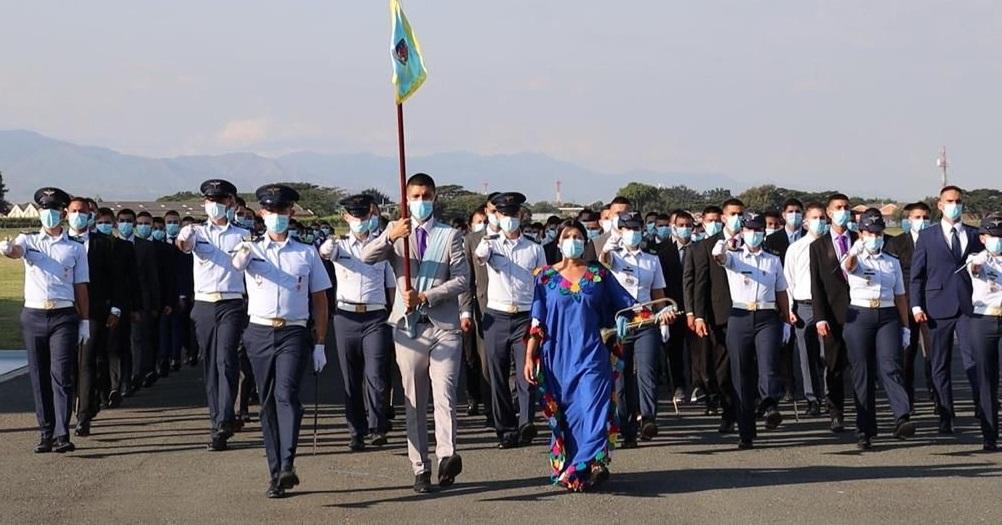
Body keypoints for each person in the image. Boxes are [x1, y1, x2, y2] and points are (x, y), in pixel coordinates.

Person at [361, 173, 469, 494]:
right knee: (414, 399)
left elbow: (462, 280)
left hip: (444, 327)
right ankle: (420, 466)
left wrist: (427, 296)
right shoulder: (397, 233)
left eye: (427, 195)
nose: (421, 201)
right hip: (409, 329)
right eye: (416, 196)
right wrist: (388, 235)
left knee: (445, 394)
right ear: (406, 199)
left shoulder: (450, 236)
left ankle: (447, 454)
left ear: (435, 197)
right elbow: (366, 257)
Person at [230, 184, 332, 498]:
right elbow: (235, 268)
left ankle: (288, 462)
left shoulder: (305, 252)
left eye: (282, 211)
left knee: (287, 394)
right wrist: (243, 252)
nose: (276, 216)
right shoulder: (251, 249)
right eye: (270, 211)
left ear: (291, 213)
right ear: (262, 213)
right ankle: (275, 473)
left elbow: (320, 299)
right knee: (267, 401)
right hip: (259, 331)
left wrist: (320, 342)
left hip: (293, 332)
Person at [522, 219, 637, 491]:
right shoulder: (545, 278)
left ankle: (591, 462)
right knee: (571, 415)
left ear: (585, 242)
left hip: (592, 354)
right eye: (567, 235)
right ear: (558, 242)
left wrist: (655, 314)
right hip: (557, 357)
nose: (572, 240)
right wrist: (529, 356)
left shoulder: (599, 274)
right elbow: (537, 322)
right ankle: (578, 471)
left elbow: (628, 306)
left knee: (594, 408)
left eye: (577, 236)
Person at [1, 187, 89, 453]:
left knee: (61, 375)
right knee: (39, 376)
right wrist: (7, 249)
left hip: (63, 315)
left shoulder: (75, 248)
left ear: (63, 213)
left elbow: (81, 286)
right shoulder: (28, 240)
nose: (48, 214)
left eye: (53, 209)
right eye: (44, 209)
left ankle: (63, 433)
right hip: (34, 314)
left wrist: (85, 321)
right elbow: (16, 251)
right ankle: (46, 432)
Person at [176, 179, 249, 451]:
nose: (215, 205)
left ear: (231, 203)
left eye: (221, 201)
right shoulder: (196, 231)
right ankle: (216, 420)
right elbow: (183, 245)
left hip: (231, 303)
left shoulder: (242, 234)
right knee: (210, 362)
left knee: (226, 359)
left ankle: (225, 419)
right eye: (210, 201)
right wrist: (183, 237)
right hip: (205, 304)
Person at [319, 194, 396, 451]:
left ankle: (377, 426)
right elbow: (325, 253)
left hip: (375, 315)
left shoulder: (383, 247)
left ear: (372, 215)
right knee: (350, 377)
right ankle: (356, 429)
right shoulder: (339, 245)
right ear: (346, 217)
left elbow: (391, 286)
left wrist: (395, 317)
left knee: (375, 373)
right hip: (346, 316)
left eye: (364, 216)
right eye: (355, 216)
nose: (360, 221)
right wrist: (327, 248)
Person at [473, 192, 547, 448]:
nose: (509, 219)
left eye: (513, 215)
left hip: (525, 315)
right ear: (497, 216)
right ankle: (505, 428)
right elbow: (479, 257)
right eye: (504, 215)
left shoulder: (534, 248)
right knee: (498, 374)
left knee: (527, 371)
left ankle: (526, 422)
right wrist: (490, 233)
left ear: (521, 216)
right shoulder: (491, 244)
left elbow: (543, 282)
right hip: (497, 314)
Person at [711, 211, 790, 448]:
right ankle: (746, 431)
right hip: (740, 315)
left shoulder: (772, 258)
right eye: (749, 230)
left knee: (768, 364)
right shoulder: (735, 257)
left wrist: (786, 319)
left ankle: (769, 405)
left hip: (767, 315)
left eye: (758, 230)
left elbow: (781, 291)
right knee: (741, 374)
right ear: (742, 232)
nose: (754, 234)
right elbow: (718, 256)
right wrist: (726, 240)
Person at [910, 185, 984, 434]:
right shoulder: (928, 236)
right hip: (937, 306)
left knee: (973, 359)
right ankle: (945, 413)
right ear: (940, 205)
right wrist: (916, 304)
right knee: (939, 362)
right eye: (950, 201)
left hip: (968, 305)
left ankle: (982, 407)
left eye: (959, 201)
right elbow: (917, 275)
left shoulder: (974, 235)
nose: (955, 205)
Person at [839, 211, 916, 449]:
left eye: (878, 233)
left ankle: (902, 416)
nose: (874, 237)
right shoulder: (854, 257)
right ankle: (865, 429)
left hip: (888, 315)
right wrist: (854, 250)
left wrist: (905, 327)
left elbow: (901, 296)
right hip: (860, 315)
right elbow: (848, 267)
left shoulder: (891, 261)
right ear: (861, 234)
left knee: (890, 366)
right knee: (862, 372)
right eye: (869, 233)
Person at [599, 211, 675, 445]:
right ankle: (626, 426)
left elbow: (658, 292)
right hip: (620, 321)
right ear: (620, 230)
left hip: (646, 319)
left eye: (636, 228)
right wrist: (607, 247)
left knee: (647, 370)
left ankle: (648, 418)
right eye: (627, 228)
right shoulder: (615, 256)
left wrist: (663, 315)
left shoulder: (651, 259)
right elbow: (603, 261)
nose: (632, 232)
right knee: (621, 377)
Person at [65, 197, 124, 437]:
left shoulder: (103, 243)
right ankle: (66, 411)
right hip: (65, 310)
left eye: (84, 212)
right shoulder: (60, 241)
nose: (79, 215)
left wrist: (116, 309)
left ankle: (84, 415)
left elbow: (117, 279)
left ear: (90, 216)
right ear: (66, 213)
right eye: (75, 211)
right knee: (67, 364)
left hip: (95, 312)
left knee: (87, 361)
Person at [692, 199, 745, 433]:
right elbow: (700, 284)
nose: (737, 218)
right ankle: (726, 407)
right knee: (721, 372)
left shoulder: (750, 242)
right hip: (719, 315)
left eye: (740, 214)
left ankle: (741, 412)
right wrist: (699, 315)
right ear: (724, 217)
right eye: (733, 214)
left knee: (744, 366)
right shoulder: (706, 246)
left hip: (748, 313)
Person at [809, 193, 857, 433]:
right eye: (838, 208)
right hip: (832, 314)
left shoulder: (860, 239)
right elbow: (816, 285)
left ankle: (863, 412)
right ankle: (836, 412)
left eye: (846, 207)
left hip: (860, 312)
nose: (843, 211)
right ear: (829, 212)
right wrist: (820, 317)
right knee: (835, 366)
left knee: (859, 365)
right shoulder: (818, 246)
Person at [884, 202, 935, 410]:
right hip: (905, 304)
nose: (921, 221)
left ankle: (937, 396)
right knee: (906, 354)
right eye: (917, 217)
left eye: (925, 217)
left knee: (934, 355)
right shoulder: (896, 244)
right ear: (908, 219)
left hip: (931, 303)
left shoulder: (935, 242)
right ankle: (907, 400)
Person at [783, 202, 829, 416]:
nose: (819, 222)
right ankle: (812, 398)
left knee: (828, 354)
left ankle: (830, 394)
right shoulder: (796, 248)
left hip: (829, 306)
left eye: (822, 218)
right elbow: (788, 280)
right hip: (804, 306)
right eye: (815, 218)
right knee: (805, 355)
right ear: (806, 222)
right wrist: (789, 307)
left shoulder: (832, 246)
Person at [966, 214, 1002, 451]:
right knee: (987, 379)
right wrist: (980, 257)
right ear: (983, 238)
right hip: (984, 320)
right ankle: (989, 435)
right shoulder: (976, 258)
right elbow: (975, 269)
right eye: (993, 236)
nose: (998, 241)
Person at [463, 196, 499, 424]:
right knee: (487, 363)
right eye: (495, 210)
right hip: (485, 311)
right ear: (487, 211)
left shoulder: (524, 241)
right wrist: (465, 311)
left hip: (517, 311)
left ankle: (516, 411)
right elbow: (466, 280)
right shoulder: (473, 240)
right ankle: (491, 411)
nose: (500, 216)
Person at [118, 208, 161, 390]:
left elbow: (153, 277)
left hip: (141, 301)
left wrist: (155, 304)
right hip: (119, 300)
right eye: (122, 220)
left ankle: (135, 376)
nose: (126, 224)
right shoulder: (112, 244)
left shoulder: (146, 246)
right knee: (120, 342)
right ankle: (122, 378)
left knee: (137, 340)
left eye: (129, 220)